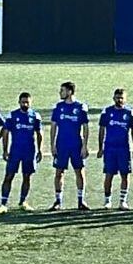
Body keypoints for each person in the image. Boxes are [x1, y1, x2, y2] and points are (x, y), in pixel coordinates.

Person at [47, 82, 89, 211]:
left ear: (70, 92)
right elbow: (53, 127)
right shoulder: (58, 107)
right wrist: (52, 145)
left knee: (79, 171)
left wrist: (84, 146)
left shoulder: (80, 107)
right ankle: (58, 201)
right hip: (61, 145)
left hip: (76, 144)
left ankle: (81, 201)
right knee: (59, 172)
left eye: (62, 91)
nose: (60, 93)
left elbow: (86, 127)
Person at [0, 92, 42, 213]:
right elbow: (5, 133)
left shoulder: (35, 116)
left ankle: (23, 202)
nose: (25, 104)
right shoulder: (12, 116)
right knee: (9, 176)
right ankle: (3, 203)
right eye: (23, 102)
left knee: (27, 176)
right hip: (15, 151)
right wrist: (5, 150)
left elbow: (39, 133)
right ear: (19, 102)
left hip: (29, 152)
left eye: (27, 102)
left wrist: (40, 150)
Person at [99, 88, 133, 210]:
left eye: (121, 98)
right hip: (110, 148)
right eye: (117, 97)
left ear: (125, 99)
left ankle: (123, 201)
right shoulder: (107, 111)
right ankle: (107, 201)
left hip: (124, 149)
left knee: (125, 175)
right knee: (109, 174)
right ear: (113, 98)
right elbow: (102, 130)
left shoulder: (129, 113)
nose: (119, 100)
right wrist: (100, 148)